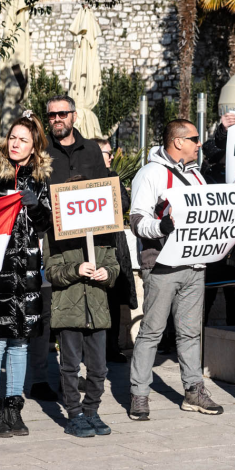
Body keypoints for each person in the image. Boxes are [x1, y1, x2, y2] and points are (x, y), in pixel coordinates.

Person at [128, 119, 224, 421]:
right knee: (151, 332)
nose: (199, 144)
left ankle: (194, 391)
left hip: (194, 263)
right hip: (161, 264)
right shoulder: (150, 174)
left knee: (189, 332)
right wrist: (160, 226)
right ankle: (139, 394)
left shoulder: (196, 176)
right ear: (178, 141)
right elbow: (136, 220)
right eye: (195, 138)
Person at [27, 95, 113, 403]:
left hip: (86, 247)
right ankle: (38, 378)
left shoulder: (91, 149)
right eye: (51, 116)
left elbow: (104, 191)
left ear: (74, 116)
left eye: (62, 114)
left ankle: (79, 379)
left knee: (78, 314)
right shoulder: (40, 152)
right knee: (46, 312)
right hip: (50, 242)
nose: (57, 119)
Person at [0, 113, 52, 438]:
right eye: (13, 137)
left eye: (23, 140)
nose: (16, 144)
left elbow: (46, 223)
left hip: (28, 275)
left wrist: (35, 206)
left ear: (34, 148)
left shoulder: (39, 178)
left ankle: (13, 408)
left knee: (20, 343)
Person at [45, 195, 120, 438]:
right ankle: (74, 414)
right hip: (68, 310)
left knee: (99, 368)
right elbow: (52, 272)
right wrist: (75, 270)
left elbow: (114, 266)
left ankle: (91, 411)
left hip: (97, 310)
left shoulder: (103, 234)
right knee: (70, 366)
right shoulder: (55, 234)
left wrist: (106, 273)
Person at [95, 138, 137, 362]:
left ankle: (112, 347)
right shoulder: (83, 178)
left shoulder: (112, 178)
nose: (111, 157)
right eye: (106, 152)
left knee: (113, 299)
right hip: (92, 247)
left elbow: (124, 203)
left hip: (113, 244)